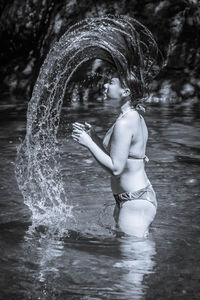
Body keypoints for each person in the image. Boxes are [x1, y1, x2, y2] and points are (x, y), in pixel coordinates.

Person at [72, 76, 157, 238]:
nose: (104, 85)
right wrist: (94, 138)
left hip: (135, 202)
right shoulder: (130, 116)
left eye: (110, 83)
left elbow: (116, 168)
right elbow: (119, 156)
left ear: (126, 92)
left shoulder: (124, 122)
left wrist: (88, 143)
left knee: (131, 260)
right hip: (133, 198)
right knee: (130, 258)